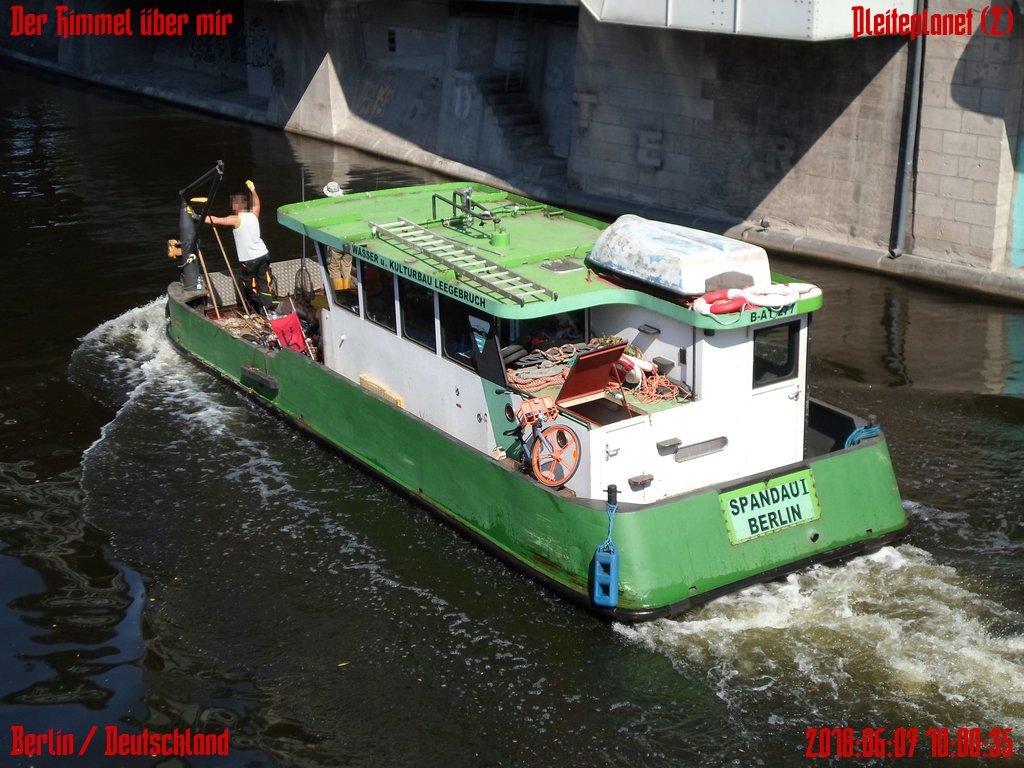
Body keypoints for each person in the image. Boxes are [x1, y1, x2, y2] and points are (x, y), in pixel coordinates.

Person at [206, 180, 277, 312]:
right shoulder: (254, 214)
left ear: (235, 206)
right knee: (264, 282)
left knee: (250, 285)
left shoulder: (236, 219)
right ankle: (270, 307)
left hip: (250, 260)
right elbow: (257, 203)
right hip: (263, 254)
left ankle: (257, 310)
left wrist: (196, 216)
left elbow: (216, 220)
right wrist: (253, 189)